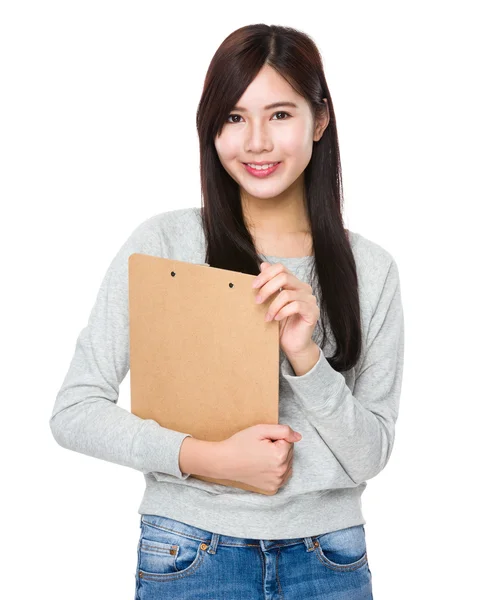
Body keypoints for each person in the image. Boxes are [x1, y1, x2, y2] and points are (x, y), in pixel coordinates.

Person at [49, 23, 404, 599]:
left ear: (319, 120)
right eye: (234, 117)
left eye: (280, 114)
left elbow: (369, 456)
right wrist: (208, 458)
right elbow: (74, 410)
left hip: (330, 560)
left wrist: (306, 356)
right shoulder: (166, 243)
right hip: (191, 551)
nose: (256, 142)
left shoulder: (371, 268)